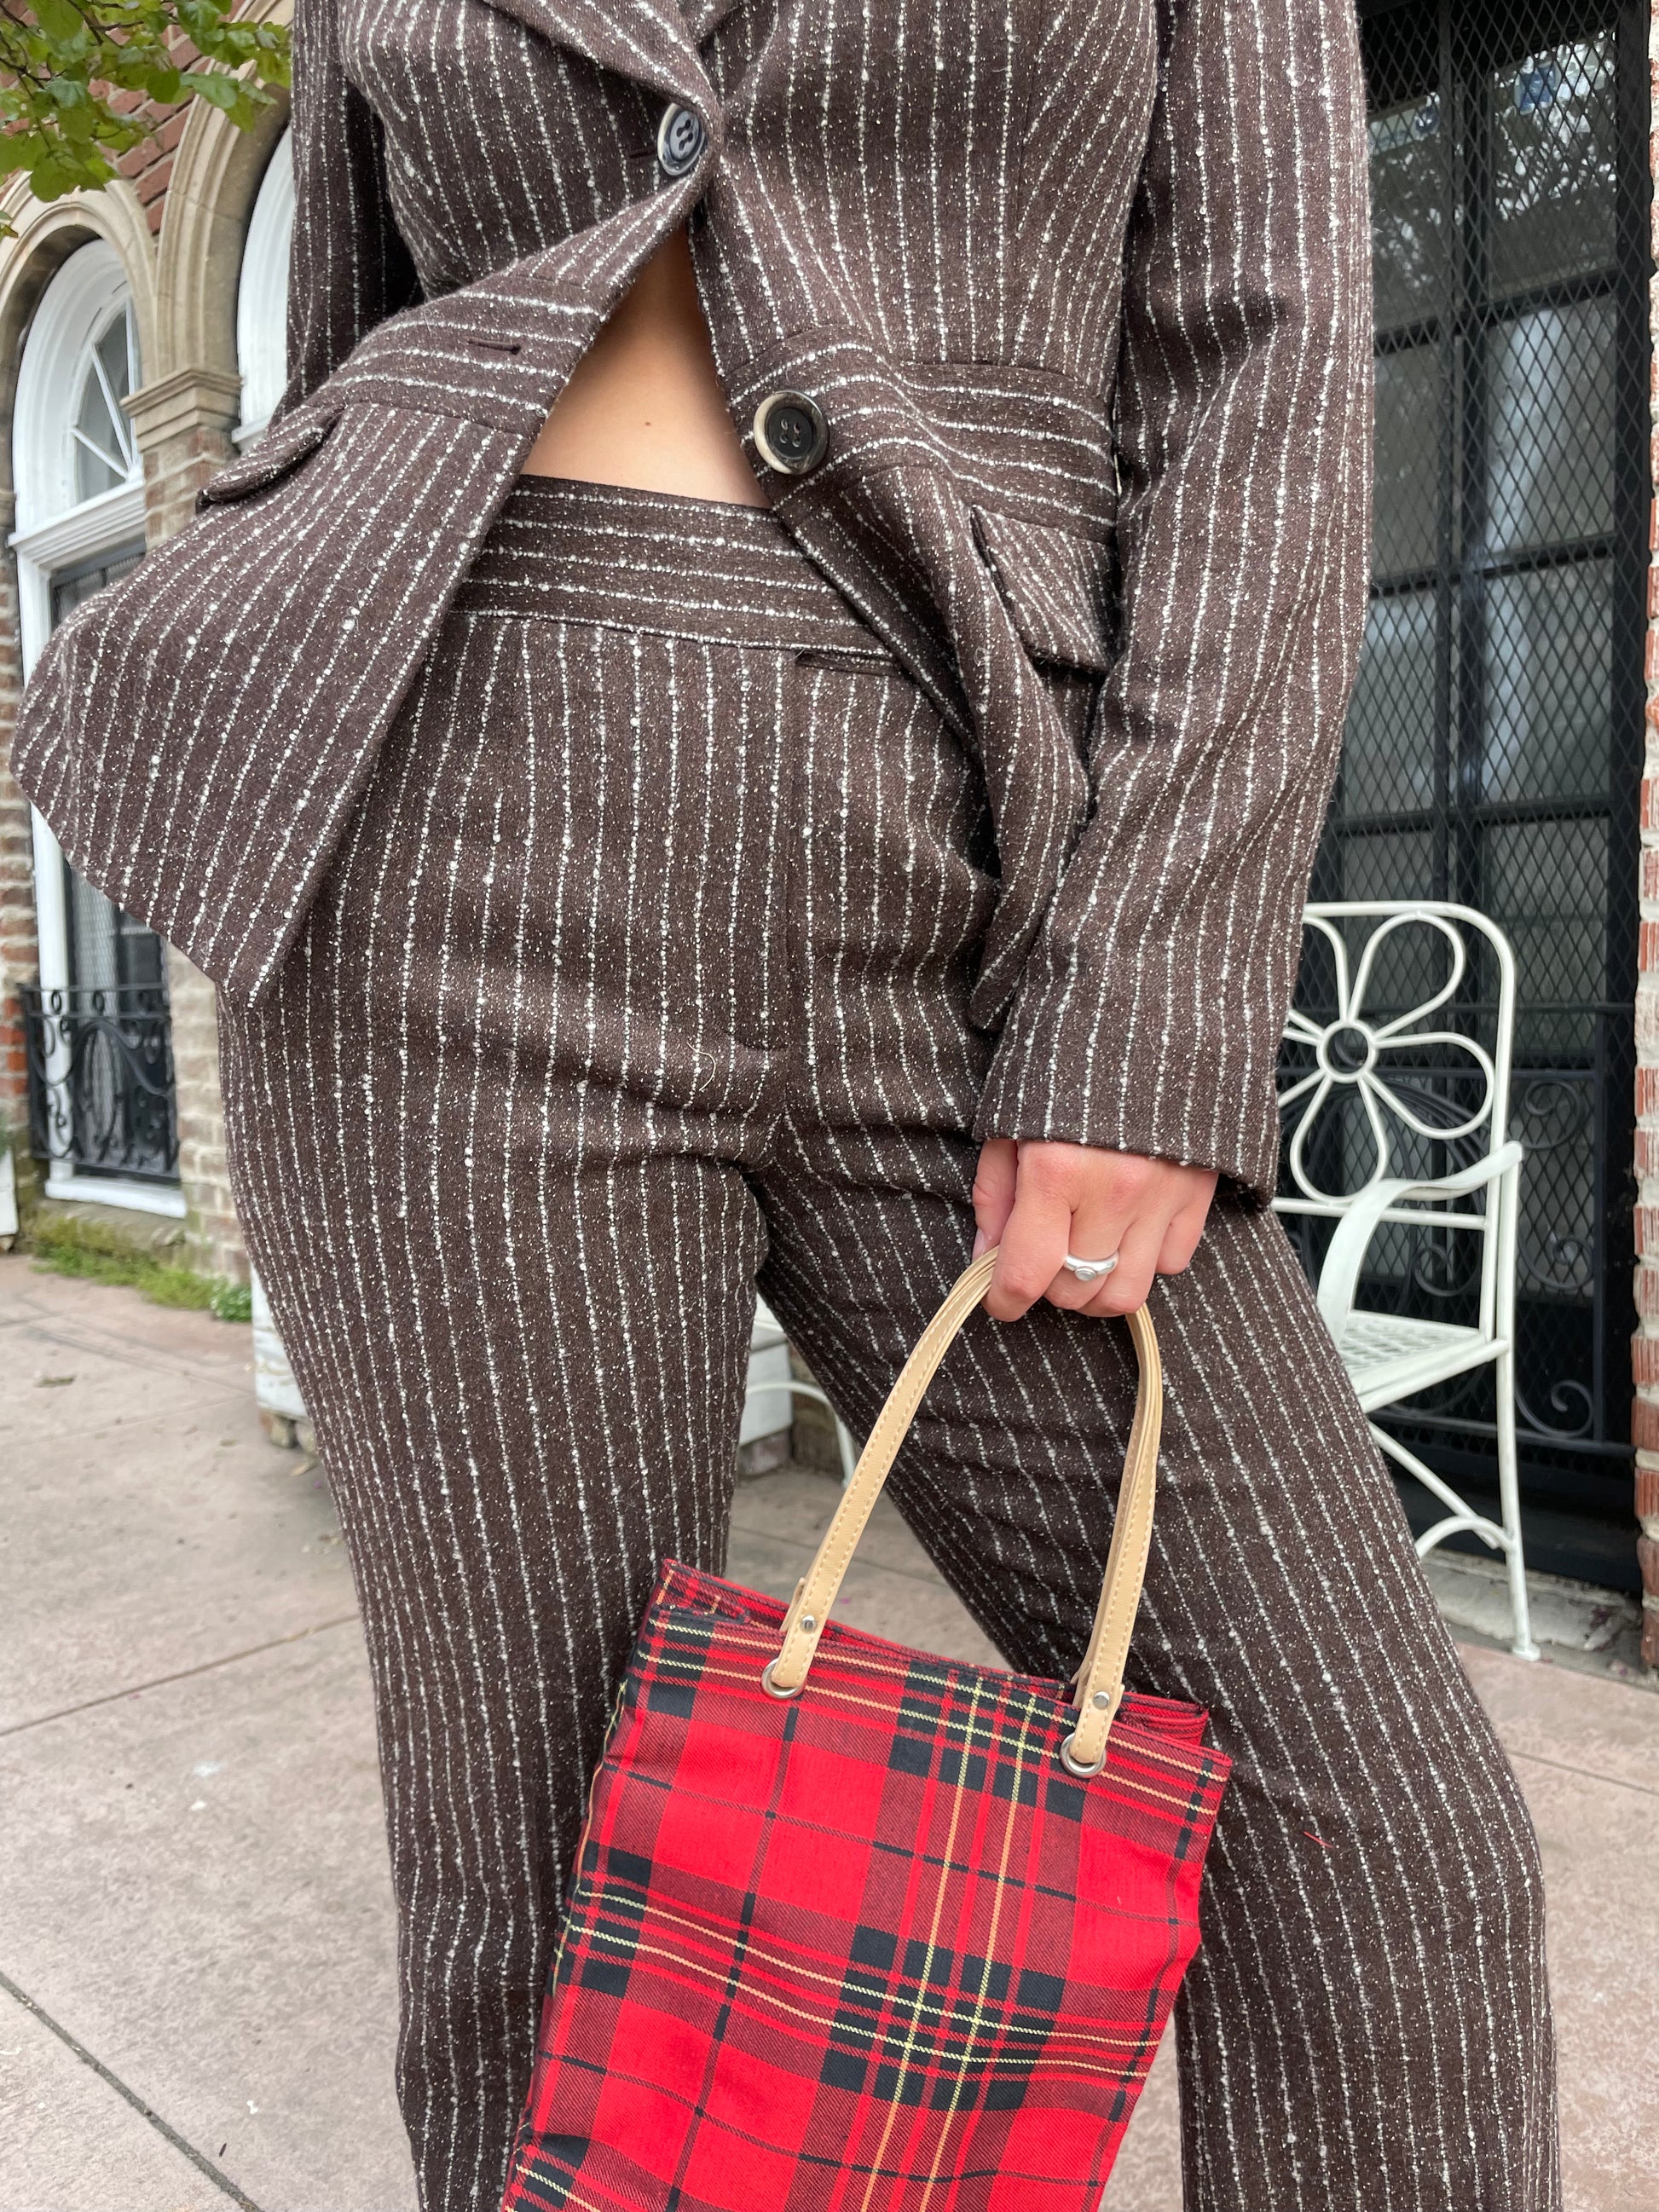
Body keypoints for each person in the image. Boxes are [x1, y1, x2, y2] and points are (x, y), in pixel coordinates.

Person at [11, 1, 1559, 2206]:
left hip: (974, 872)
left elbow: (1265, 353)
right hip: (446, 858)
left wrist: (1151, 990)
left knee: (1377, 1859)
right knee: (556, 1945)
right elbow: (376, 340)